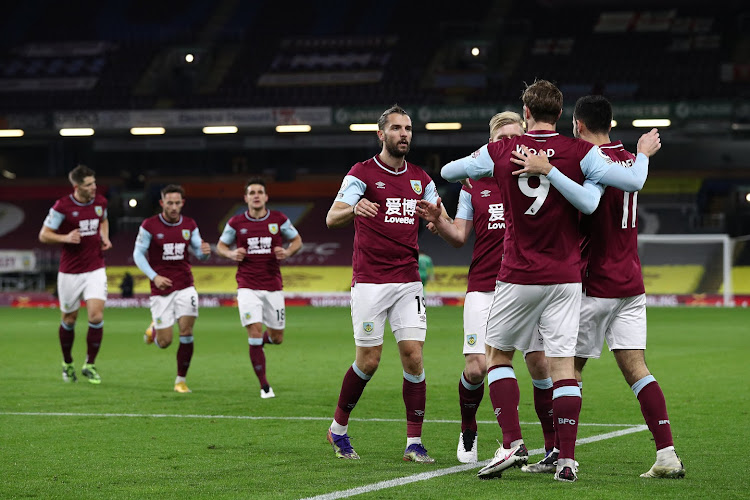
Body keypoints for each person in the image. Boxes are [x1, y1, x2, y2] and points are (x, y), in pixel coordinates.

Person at [440, 80, 662, 482]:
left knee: (498, 356)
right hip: (566, 277)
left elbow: (448, 171)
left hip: (518, 273)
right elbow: (625, 185)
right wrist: (641, 155)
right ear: (561, 116)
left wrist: (488, 161)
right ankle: (566, 460)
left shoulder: (503, 150)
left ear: (525, 113)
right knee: (562, 367)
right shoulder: (582, 152)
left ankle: (511, 443)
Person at [419, 111, 557, 464]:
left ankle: (551, 446)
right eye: (501, 141)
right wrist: (439, 220)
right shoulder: (472, 185)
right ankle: (469, 427)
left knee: (540, 364)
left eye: (515, 138)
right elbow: (459, 236)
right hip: (485, 287)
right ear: (491, 145)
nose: (509, 146)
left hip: (528, 284)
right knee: (478, 368)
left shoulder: (539, 179)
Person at [570, 95, 684, 478]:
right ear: (611, 123)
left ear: (579, 126)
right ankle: (666, 454)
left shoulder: (590, 163)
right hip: (631, 283)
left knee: (567, 368)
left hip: (595, 282)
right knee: (637, 368)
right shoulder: (630, 161)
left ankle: (561, 455)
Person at [324, 105, 441, 463]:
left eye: (408, 128)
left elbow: (441, 218)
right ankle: (338, 429)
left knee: (414, 358)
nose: (404, 134)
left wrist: (438, 220)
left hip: (408, 281)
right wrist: (354, 208)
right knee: (369, 361)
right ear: (381, 134)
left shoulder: (421, 178)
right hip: (371, 281)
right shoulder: (361, 173)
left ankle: (414, 443)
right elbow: (332, 218)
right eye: (396, 128)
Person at [216, 178, 302, 399]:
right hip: (247, 286)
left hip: (273, 286)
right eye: (251, 192)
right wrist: (231, 254)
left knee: (277, 337)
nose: (256, 195)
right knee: (254, 332)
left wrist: (288, 252)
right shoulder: (236, 222)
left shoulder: (278, 219)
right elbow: (221, 246)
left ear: (266, 197)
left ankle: (259, 345)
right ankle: (265, 386)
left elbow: (297, 241)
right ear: (246, 198)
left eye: (259, 192)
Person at [133, 184, 211, 393]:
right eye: (170, 203)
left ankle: (180, 380)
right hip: (161, 289)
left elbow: (198, 250)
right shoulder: (149, 225)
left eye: (178, 203)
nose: (174, 207)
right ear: (162, 203)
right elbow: (138, 255)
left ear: (182, 203)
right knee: (165, 342)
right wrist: (154, 276)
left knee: (186, 332)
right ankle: (155, 330)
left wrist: (204, 252)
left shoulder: (189, 224)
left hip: (185, 285)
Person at [39, 164, 112, 384]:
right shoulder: (62, 207)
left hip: (95, 268)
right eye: (89, 185)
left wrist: (104, 237)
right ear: (76, 186)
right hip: (70, 272)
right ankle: (67, 363)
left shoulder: (100, 202)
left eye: (94, 183)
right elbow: (44, 235)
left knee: (96, 316)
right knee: (69, 319)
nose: (94, 187)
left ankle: (90, 364)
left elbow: (104, 219)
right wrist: (65, 238)